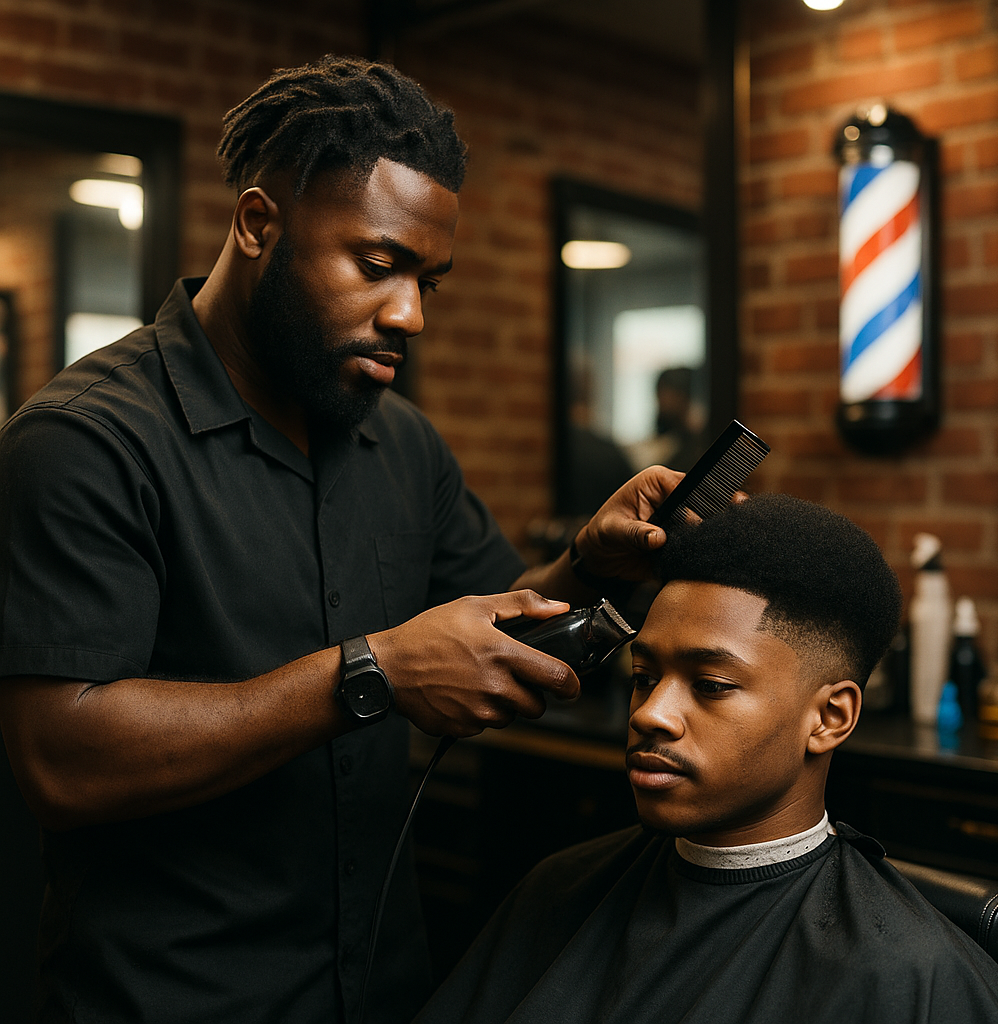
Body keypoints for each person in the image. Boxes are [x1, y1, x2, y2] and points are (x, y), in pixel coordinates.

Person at [0, 56, 683, 1024]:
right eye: (375, 264)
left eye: (427, 283)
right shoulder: (85, 441)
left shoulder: (399, 439)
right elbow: (61, 758)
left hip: (377, 987)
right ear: (257, 223)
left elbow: (493, 622)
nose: (406, 313)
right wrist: (370, 672)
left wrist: (587, 564)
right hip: (167, 1000)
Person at [414, 493, 998, 1024]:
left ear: (830, 717)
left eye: (711, 685)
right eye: (644, 676)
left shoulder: (907, 974)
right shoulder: (559, 890)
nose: (650, 714)